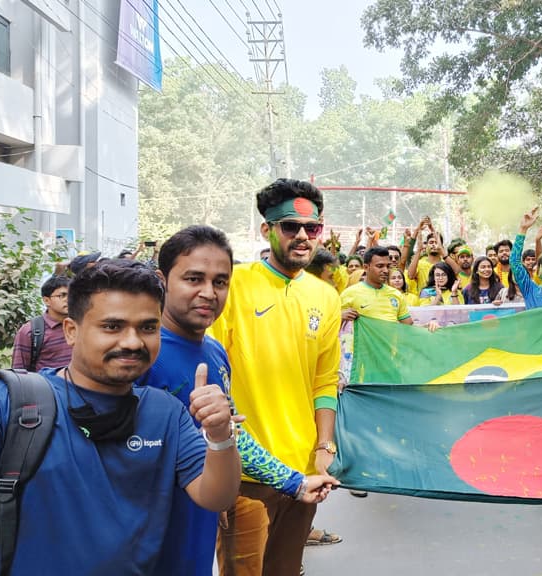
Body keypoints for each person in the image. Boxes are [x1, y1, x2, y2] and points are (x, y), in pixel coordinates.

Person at [0, 259, 241, 572]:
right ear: (71, 330)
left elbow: (216, 496)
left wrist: (219, 436)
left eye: (148, 327)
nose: (133, 342)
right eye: (112, 326)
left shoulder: (165, 413)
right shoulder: (7, 403)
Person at [149, 225, 339, 575]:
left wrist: (295, 483)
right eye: (193, 279)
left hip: (195, 528)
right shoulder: (140, 352)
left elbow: (232, 436)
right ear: (163, 280)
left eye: (220, 282)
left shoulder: (215, 352)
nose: (208, 292)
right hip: (143, 537)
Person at [210, 178, 342, 575]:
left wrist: (324, 447)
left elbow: (325, 381)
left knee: (286, 570)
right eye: (290, 227)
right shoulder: (234, 286)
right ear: (266, 229)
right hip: (247, 475)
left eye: (312, 228)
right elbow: (215, 379)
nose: (303, 236)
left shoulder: (326, 296)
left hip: (304, 471)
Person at [11, 275, 73, 371]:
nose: (68, 299)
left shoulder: (80, 324)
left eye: (72, 295)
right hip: (47, 385)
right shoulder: (31, 331)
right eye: (62, 295)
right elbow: (19, 373)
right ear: (46, 300)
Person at [341, 246, 414, 324]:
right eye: (380, 266)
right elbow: (333, 327)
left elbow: (408, 325)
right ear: (366, 267)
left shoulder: (396, 294)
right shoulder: (349, 293)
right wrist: (339, 316)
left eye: (388, 266)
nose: (386, 270)